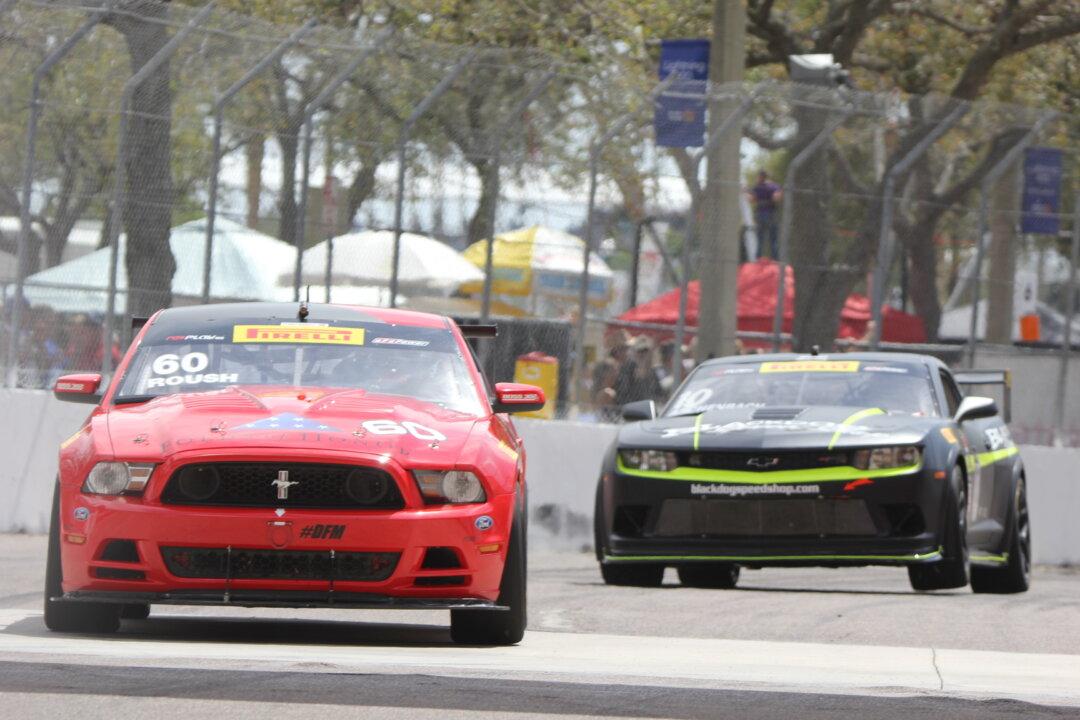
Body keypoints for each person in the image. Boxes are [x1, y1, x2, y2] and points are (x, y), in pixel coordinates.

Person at [749, 170, 782, 260]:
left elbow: (751, 199)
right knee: (773, 239)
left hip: (761, 215)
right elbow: (777, 197)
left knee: (760, 239)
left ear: (760, 177)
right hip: (771, 214)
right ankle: (775, 259)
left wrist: (748, 193)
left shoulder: (757, 187)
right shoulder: (774, 186)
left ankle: (758, 258)